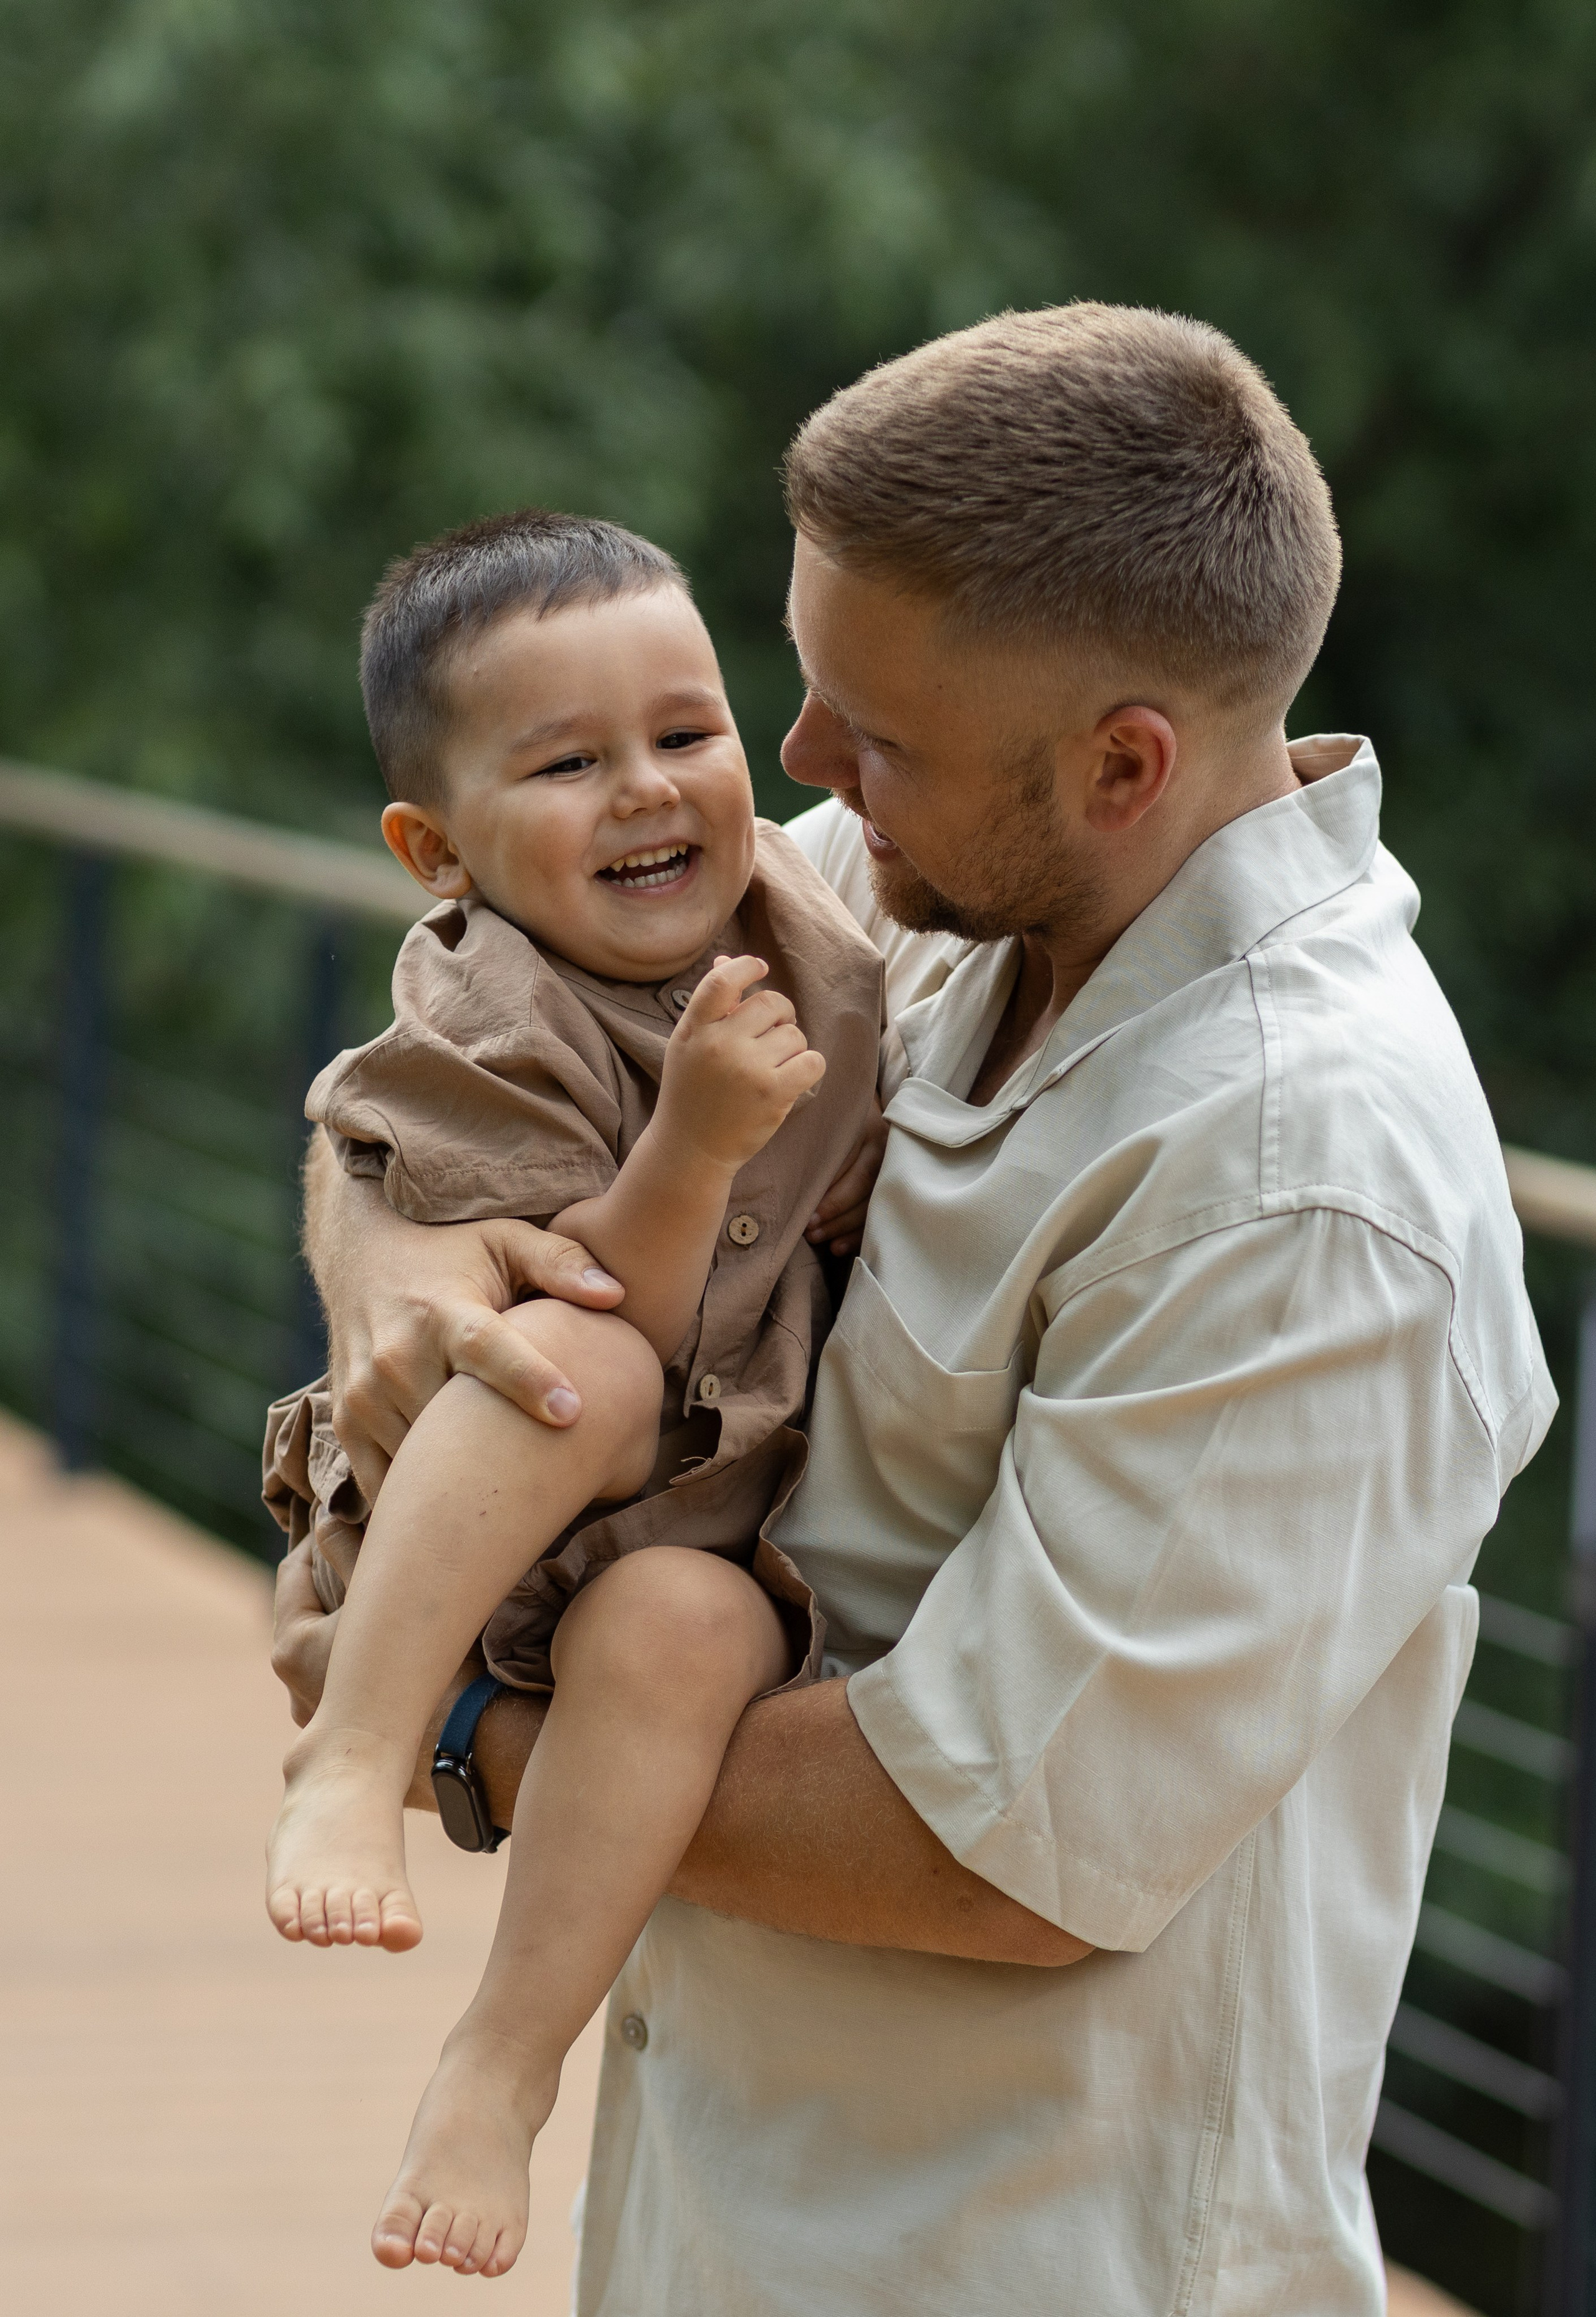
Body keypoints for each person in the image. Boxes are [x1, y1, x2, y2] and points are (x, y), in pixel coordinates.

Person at [272, 304, 1553, 2316]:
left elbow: (996, 1842)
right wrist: (402, 1273)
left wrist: (460, 1727)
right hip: (725, 2196)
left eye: (867, 730)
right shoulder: (917, 901)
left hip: (1012, 2252)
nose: (792, 768)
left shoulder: (1304, 1178)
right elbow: (466, 1036)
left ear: (1123, 761)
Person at [260, 509, 887, 2279]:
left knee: (695, 1629)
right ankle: (354, 1748)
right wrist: (694, 1142)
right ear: (432, 847)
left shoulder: (817, 916)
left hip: (671, 1524)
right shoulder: (490, 995)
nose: (646, 792)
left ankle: (500, 2061)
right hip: (485, 1503)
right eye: (567, 761)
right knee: (581, 1354)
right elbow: (629, 1301)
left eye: (685, 734)